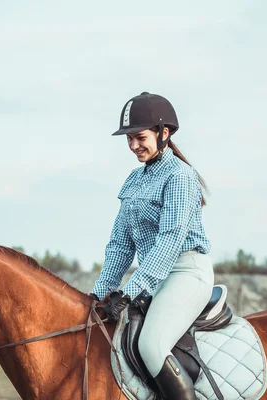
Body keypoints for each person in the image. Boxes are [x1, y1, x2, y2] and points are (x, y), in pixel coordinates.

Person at [92, 92, 214, 399]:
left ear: (164, 133)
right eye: (129, 139)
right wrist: (100, 292)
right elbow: (120, 246)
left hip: (187, 272)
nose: (134, 146)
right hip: (155, 278)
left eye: (140, 137)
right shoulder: (133, 180)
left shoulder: (180, 176)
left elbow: (170, 240)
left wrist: (131, 291)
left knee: (151, 344)